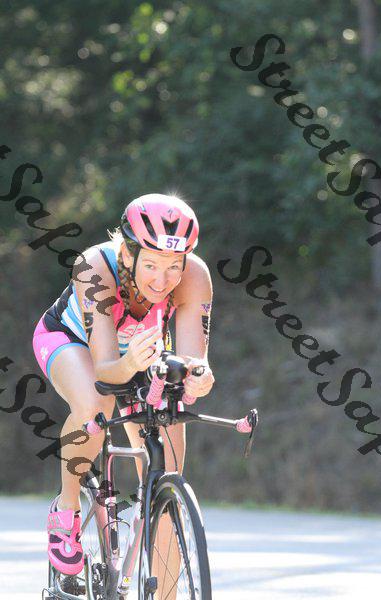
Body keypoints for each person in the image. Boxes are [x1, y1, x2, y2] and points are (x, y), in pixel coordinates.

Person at [32, 193, 214, 578]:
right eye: (150, 265)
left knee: (169, 471)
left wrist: (199, 378)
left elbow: (193, 362)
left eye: (173, 266)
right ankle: (66, 510)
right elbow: (105, 370)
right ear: (128, 253)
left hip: (140, 354)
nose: (162, 281)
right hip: (73, 342)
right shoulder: (94, 268)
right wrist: (130, 364)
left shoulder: (195, 277)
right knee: (95, 405)